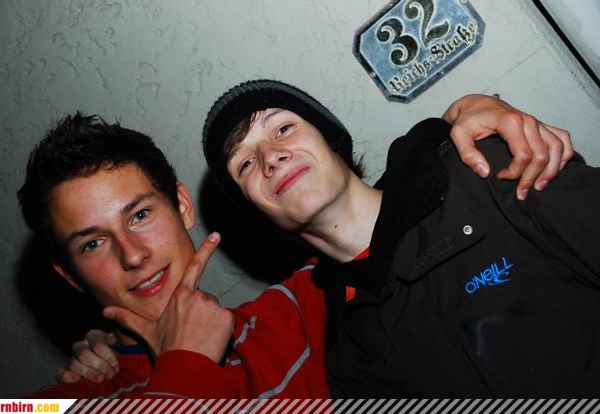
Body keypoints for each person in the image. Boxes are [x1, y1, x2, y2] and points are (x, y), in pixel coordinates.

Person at [64, 82, 589, 397]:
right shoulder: (334, 343)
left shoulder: (486, 172)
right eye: (245, 163)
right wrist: (165, 371)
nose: (270, 157)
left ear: (332, 140)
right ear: (257, 211)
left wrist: (472, 108)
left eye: (283, 129)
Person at [20, 112, 330, 398]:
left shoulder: (298, 313)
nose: (132, 255)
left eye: (140, 215)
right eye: (92, 244)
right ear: (70, 276)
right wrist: (186, 366)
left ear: (182, 207)